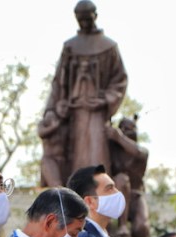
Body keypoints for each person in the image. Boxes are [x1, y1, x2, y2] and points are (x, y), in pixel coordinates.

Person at [42, 1, 128, 183]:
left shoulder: (109, 47)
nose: (84, 23)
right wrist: (52, 109)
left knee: (97, 155)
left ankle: (100, 191)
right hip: (73, 116)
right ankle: (75, 195)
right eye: (80, 19)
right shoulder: (70, 47)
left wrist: (105, 99)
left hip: (97, 114)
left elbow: (120, 79)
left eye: (87, 19)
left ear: (95, 16)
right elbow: (58, 83)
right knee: (74, 160)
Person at [107, 117, 149, 237]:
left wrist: (119, 137)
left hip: (135, 196)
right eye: (122, 128)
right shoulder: (113, 151)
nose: (125, 131)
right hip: (116, 194)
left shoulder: (142, 151)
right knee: (121, 179)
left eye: (129, 129)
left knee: (141, 229)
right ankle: (122, 226)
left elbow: (138, 152)